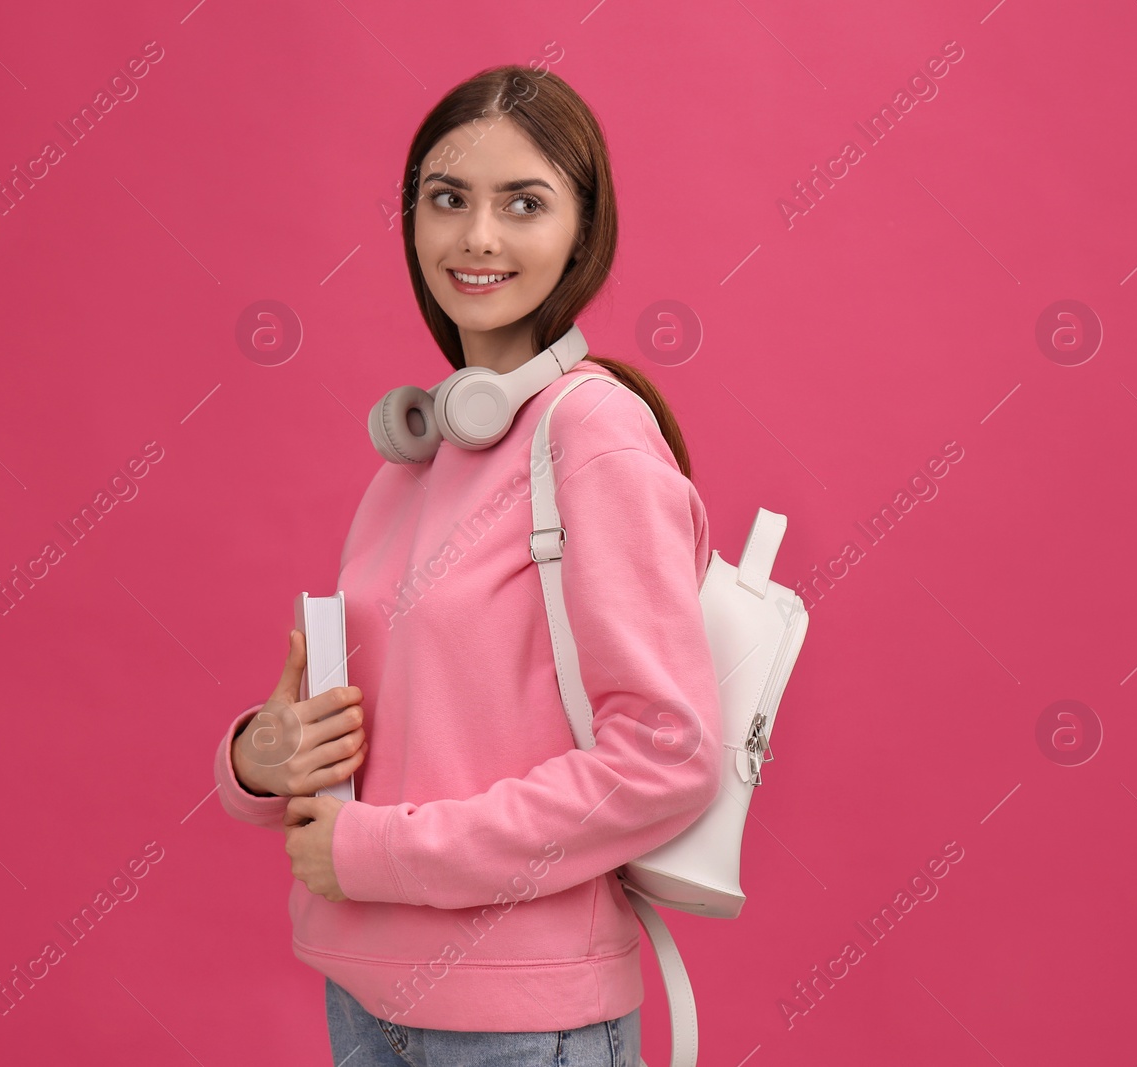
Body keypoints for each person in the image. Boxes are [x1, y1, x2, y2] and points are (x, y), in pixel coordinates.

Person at [213, 63, 723, 1067]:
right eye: (447, 200)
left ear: (583, 231)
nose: (476, 238)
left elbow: (665, 753)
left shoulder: (594, 436)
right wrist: (257, 759)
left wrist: (373, 851)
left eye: (522, 204)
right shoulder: (418, 454)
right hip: (366, 995)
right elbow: (407, 729)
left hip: (522, 1021)